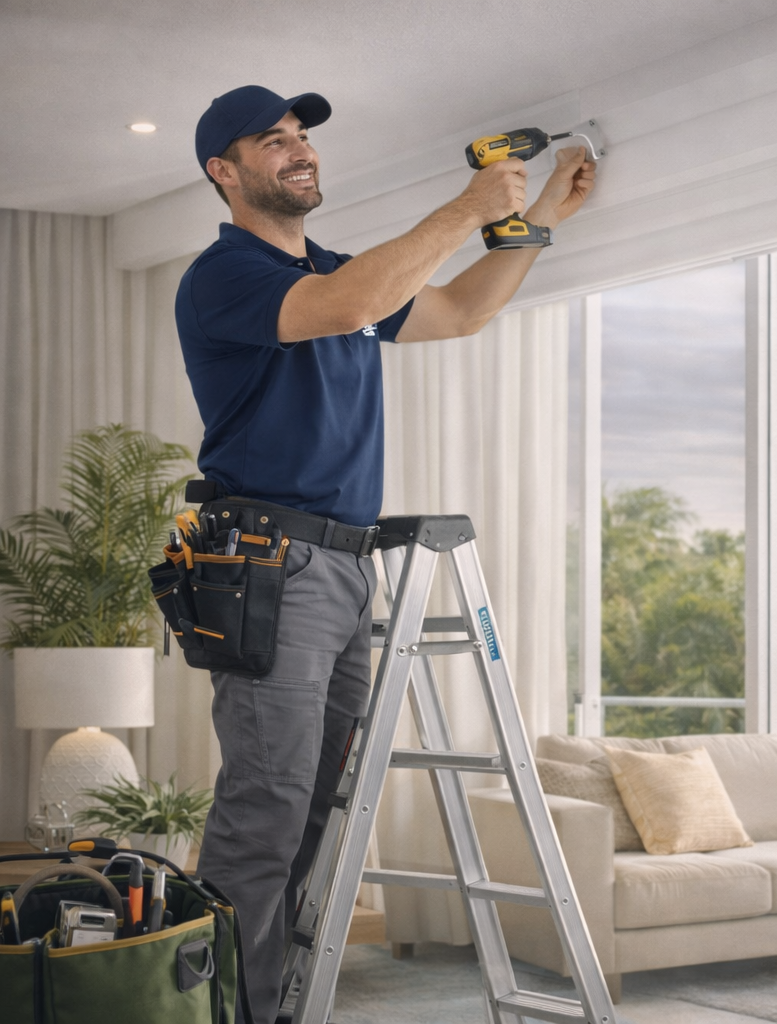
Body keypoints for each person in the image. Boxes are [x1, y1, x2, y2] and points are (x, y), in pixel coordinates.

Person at [173, 85, 594, 1024]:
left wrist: (543, 215)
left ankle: (273, 998)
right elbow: (351, 300)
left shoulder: (335, 270)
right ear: (224, 172)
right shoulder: (228, 274)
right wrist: (468, 204)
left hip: (344, 566)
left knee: (320, 797)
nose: (299, 151)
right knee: (268, 805)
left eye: (302, 137)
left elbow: (457, 312)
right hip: (270, 565)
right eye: (271, 142)